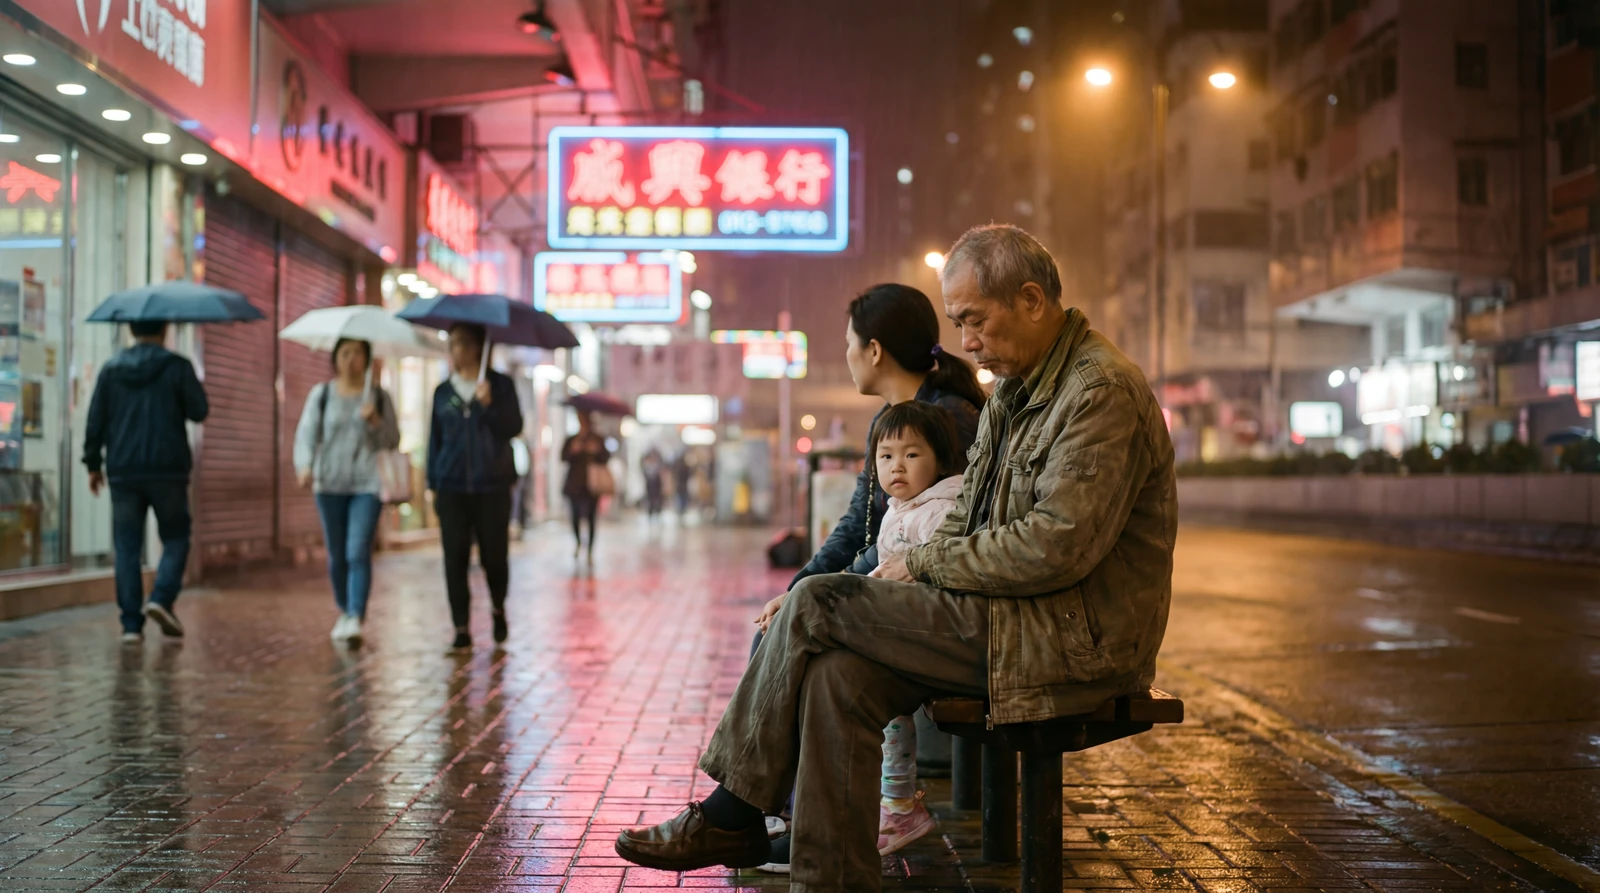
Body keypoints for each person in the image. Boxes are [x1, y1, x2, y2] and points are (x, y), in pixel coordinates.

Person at [614, 224, 1178, 893]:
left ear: (1031, 300)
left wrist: (925, 565)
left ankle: (732, 809)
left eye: (974, 320)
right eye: (957, 322)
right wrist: (919, 566)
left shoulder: (1097, 391)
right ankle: (828, 881)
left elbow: (1057, 546)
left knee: (816, 600)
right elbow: (965, 524)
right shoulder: (1016, 392)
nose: (965, 342)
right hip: (999, 617)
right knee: (836, 679)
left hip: (1069, 639)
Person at [748, 281, 988, 873]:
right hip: (888, 585)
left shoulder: (948, 420)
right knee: (781, 625)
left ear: (874, 349)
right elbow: (858, 522)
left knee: (805, 646)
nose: (847, 353)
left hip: (930, 603)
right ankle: (780, 812)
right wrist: (799, 585)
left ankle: (777, 812)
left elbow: (924, 539)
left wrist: (813, 594)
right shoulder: (891, 419)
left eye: (850, 342)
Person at [83, 320, 209, 643]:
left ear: (130, 329)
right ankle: (162, 598)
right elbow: (199, 410)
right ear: (165, 329)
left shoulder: (112, 369)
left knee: (126, 546)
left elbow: (95, 419)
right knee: (177, 536)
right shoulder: (177, 366)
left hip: (124, 471)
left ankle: (130, 625)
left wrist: (93, 464)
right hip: (168, 470)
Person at [293, 337, 400, 646]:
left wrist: (376, 421)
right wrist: (304, 465)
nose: (351, 358)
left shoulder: (378, 397)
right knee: (337, 555)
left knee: (357, 550)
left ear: (367, 359)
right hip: (329, 484)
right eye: (345, 352)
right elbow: (307, 433)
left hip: (367, 484)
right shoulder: (322, 395)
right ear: (335, 358)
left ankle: (355, 615)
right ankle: (344, 609)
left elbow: (393, 439)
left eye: (358, 353)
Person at [427, 323, 523, 651]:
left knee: (494, 557)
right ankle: (461, 626)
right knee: (454, 557)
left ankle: (498, 607)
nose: (454, 350)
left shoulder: (501, 386)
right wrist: (432, 484)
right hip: (451, 486)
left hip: (492, 486)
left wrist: (490, 405)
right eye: (451, 343)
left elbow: (514, 428)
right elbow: (434, 441)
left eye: (460, 344)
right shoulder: (443, 392)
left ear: (477, 349)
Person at [561, 410, 610, 560]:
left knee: (591, 517)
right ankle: (577, 542)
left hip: (592, 485)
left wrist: (595, 450)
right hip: (575, 485)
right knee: (575, 516)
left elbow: (606, 457)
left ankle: (590, 549)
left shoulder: (597, 439)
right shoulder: (572, 439)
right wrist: (573, 450)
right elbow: (563, 457)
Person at [642, 448, 666, 521]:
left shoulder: (658, 467)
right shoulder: (647, 466)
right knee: (650, 500)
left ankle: (657, 513)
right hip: (650, 487)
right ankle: (651, 513)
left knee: (657, 500)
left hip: (656, 487)